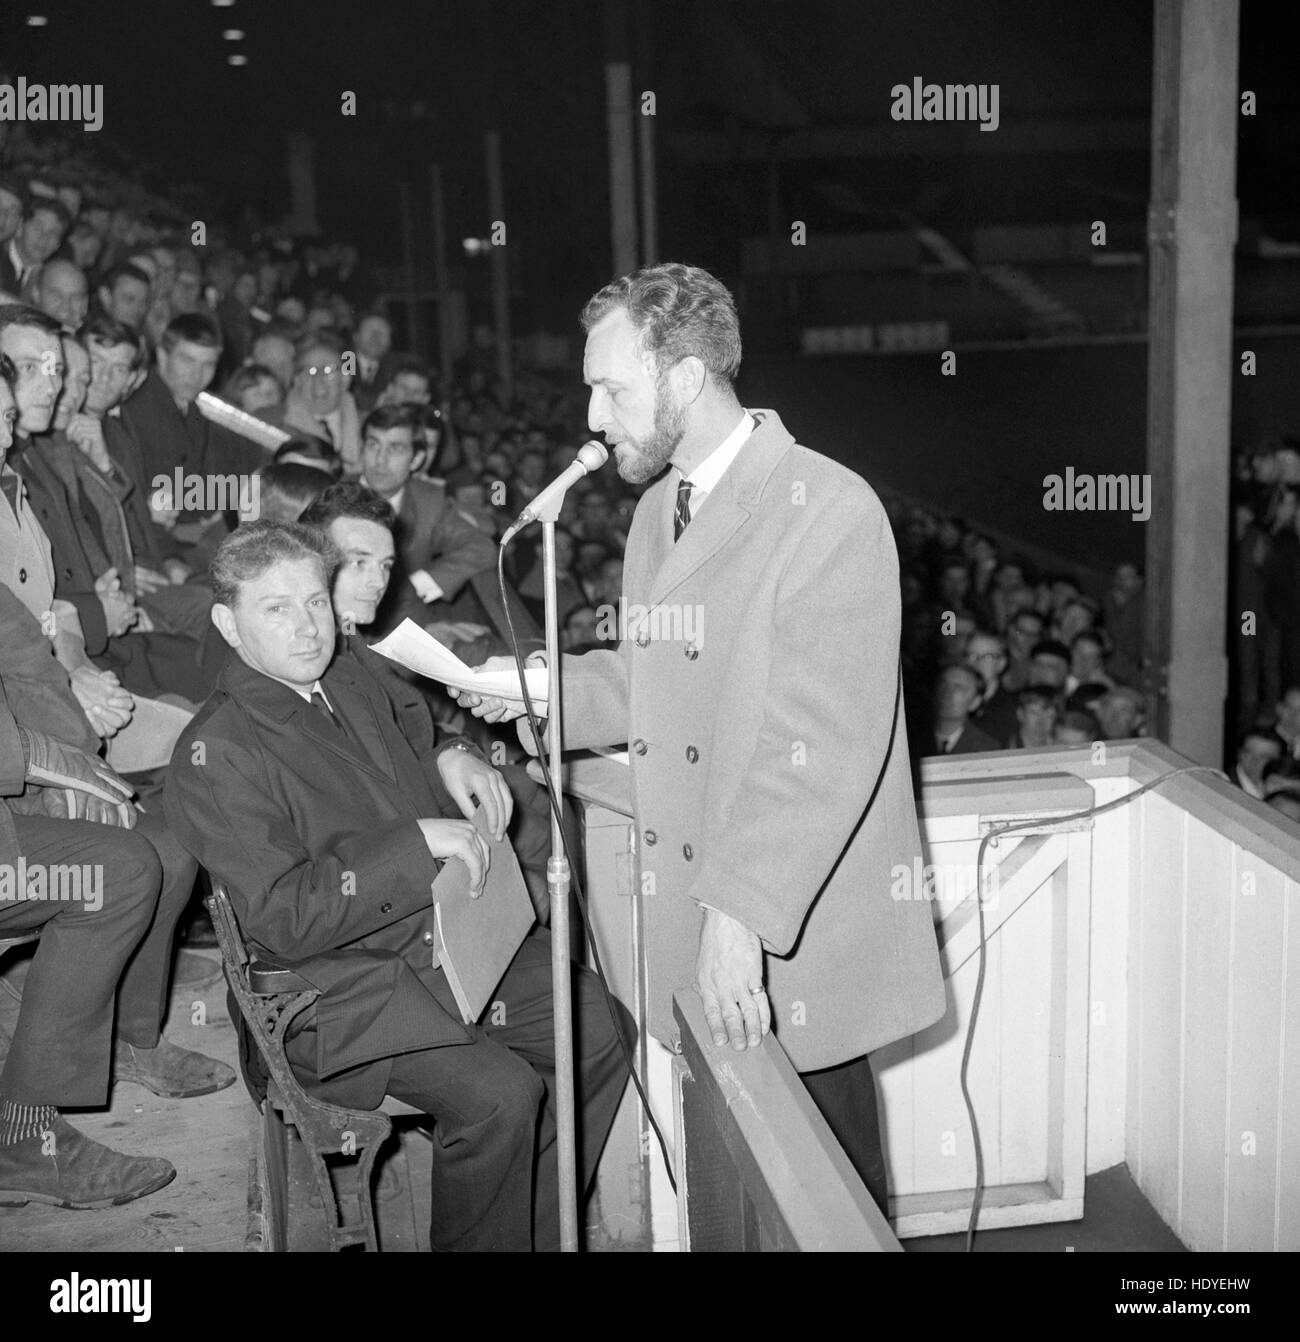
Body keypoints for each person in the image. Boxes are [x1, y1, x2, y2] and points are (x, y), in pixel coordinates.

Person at [454, 262, 945, 1211]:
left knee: (824, 1195)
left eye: (610, 388)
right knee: (737, 1189)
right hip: (698, 912)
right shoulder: (654, 512)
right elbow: (657, 680)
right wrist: (544, 687)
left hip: (775, 929)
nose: (594, 417)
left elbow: (824, 745)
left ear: (683, 379)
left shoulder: (830, 509)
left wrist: (740, 916)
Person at [164, 521, 631, 1250]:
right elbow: (286, 917)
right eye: (276, 609)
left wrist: (458, 754)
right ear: (228, 624)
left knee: (598, 1028)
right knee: (501, 1098)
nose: (308, 627)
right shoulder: (214, 751)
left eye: (316, 602)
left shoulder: (345, 673)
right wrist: (413, 844)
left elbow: (422, 735)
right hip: (337, 993)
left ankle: (527, 1233)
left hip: (437, 943)